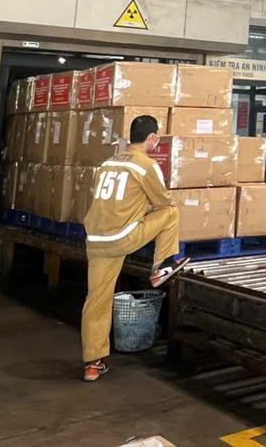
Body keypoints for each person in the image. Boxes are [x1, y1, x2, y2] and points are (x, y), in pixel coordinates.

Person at [80, 115, 188, 382]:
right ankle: (162, 266)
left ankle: (93, 363)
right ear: (152, 138)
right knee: (171, 213)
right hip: (123, 237)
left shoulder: (108, 163)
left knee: (97, 299)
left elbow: (107, 197)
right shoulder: (147, 165)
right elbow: (163, 200)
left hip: (96, 239)